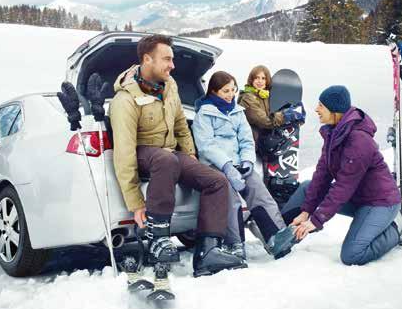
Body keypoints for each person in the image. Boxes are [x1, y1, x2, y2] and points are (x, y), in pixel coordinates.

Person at [109, 34, 246, 277]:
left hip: (170, 154)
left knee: (216, 181)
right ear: (147, 59)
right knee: (165, 159)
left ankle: (208, 250)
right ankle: (157, 238)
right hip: (144, 154)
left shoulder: (170, 85)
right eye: (167, 59)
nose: (173, 65)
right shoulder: (125, 99)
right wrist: (136, 203)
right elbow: (124, 152)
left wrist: (191, 155)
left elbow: (181, 124)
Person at [289, 85, 402, 266]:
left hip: (380, 202)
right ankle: (282, 236)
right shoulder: (333, 132)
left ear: (335, 110)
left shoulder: (359, 140)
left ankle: (396, 230)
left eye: (321, 105)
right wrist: (306, 211)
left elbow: (343, 187)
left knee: (352, 254)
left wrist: (316, 220)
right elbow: (322, 174)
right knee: (308, 186)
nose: (316, 109)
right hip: (358, 198)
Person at [191, 71, 298, 260]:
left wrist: (247, 161)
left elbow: (247, 140)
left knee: (259, 190)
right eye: (225, 91)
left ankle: (276, 235)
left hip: (240, 163)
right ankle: (235, 243)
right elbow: (206, 146)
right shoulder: (204, 114)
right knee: (230, 198)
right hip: (217, 166)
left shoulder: (237, 111)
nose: (230, 94)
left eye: (233, 89)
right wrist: (227, 166)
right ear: (214, 91)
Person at [237, 65, 306, 217]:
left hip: (266, 144)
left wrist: (295, 115)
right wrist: (287, 115)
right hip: (253, 145)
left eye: (263, 78)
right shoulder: (248, 98)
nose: (260, 81)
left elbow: (275, 112)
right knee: (261, 184)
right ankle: (261, 215)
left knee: (271, 182)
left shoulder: (265, 96)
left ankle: (276, 212)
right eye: (257, 78)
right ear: (251, 79)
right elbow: (265, 121)